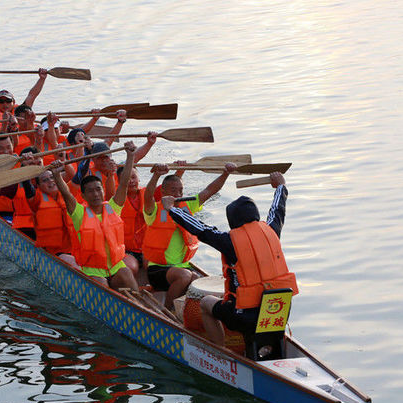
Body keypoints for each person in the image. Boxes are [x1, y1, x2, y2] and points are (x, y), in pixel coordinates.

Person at [162, 171, 298, 359]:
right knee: (259, 321)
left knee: (206, 303)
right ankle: (267, 350)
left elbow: (200, 229)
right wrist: (281, 186)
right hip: (279, 310)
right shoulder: (272, 230)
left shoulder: (229, 241)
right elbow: (278, 209)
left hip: (245, 316)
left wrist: (171, 209)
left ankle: (221, 354)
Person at [142, 163, 232, 310]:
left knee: (197, 281)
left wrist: (226, 173)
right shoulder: (154, 210)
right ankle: (168, 310)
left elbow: (210, 190)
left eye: (181, 190)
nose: (178, 195)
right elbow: (147, 196)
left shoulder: (187, 207)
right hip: (157, 270)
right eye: (173, 190)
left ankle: (191, 314)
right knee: (184, 276)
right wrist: (156, 175)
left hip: (181, 267)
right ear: (163, 191)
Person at [50, 142, 139, 290]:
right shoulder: (79, 213)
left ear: (103, 191)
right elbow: (66, 193)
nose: (96, 194)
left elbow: (123, 184)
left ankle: (140, 304)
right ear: (83, 196)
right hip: (93, 270)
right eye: (90, 191)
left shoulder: (113, 207)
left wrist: (130, 156)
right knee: (102, 286)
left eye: (98, 189)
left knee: (127, 274)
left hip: (116, 266)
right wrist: (57, 174)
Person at [0, 66, 49, 135]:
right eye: (1, 101)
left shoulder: (21, 110)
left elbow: (32, 95)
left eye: (8, 101)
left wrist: (42, 79)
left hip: (24, 144)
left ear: (13, 102)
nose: (5, 104)